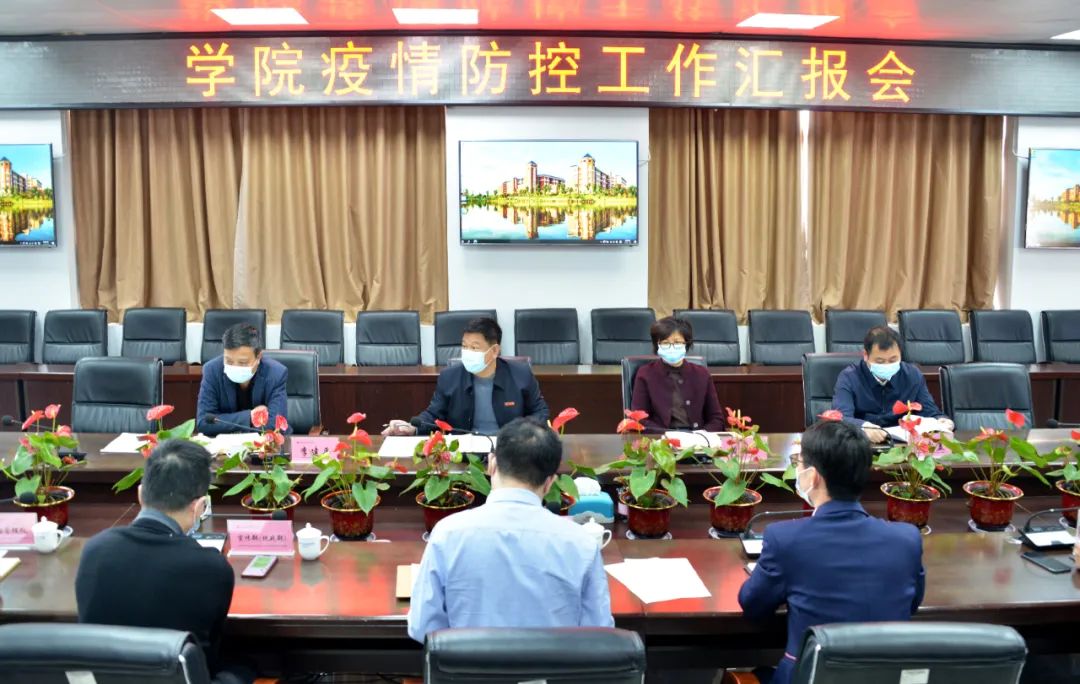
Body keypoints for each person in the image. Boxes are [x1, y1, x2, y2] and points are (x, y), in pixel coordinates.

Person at [738, 420, 925, 684]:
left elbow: (753, 605)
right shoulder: (907, 539)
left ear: (813, 476)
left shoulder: (785, 539)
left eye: (798, 462)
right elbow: (912, 603)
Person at [407, 418, 613, 641]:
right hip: (553, 664)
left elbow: (422, 628)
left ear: (491, 465)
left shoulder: (447, 534)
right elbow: (599, 634)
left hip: (469, 665)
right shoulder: (581, 544)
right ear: (549, 483)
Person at [75, 439, 250, 683]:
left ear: (140, 494)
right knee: (250, 665)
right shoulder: (212, 569)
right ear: (200, 507)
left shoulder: (95, 550)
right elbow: (212, 650)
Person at [383, 317, 549, 436]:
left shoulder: (520, 374)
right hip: (464, 452)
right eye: (464, 346)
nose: (467, 352)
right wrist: (412, 427)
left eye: (474, 348)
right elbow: (434, 415)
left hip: (509, 451)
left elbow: (540, 411)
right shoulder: (450, 377)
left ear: (494, 351)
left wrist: (522, 434)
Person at [832, 325, 953, 443]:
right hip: (863, 444)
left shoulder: (912, 375)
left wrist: (943, 421)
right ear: (865, 355)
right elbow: (840, 418)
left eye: (893, 360)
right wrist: (863, 427)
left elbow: (930, 411)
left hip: (902, 445)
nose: (887, 365)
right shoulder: (849, 377)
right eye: (880, 361)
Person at [631, 316, 725, 433]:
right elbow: (639, 419)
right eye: (665, 343)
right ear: (657, 345)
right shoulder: (645, 374)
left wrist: (702, 435)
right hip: (661, 439)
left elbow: (716, 419)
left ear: (686, 343)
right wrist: (669, 435)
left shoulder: (702, 374)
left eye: (677, 342)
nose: (672, 348)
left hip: (697, 439)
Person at [197, 323, 288, 436]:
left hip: (264, 444)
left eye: (243, 362)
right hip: (224, 444)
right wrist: (250, 416)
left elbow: (276, 426)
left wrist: (226, 423)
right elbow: (204, 422)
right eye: (229, 361)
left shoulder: (275, 373)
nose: (235, 366)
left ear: (259, 357)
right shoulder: (212, 370)